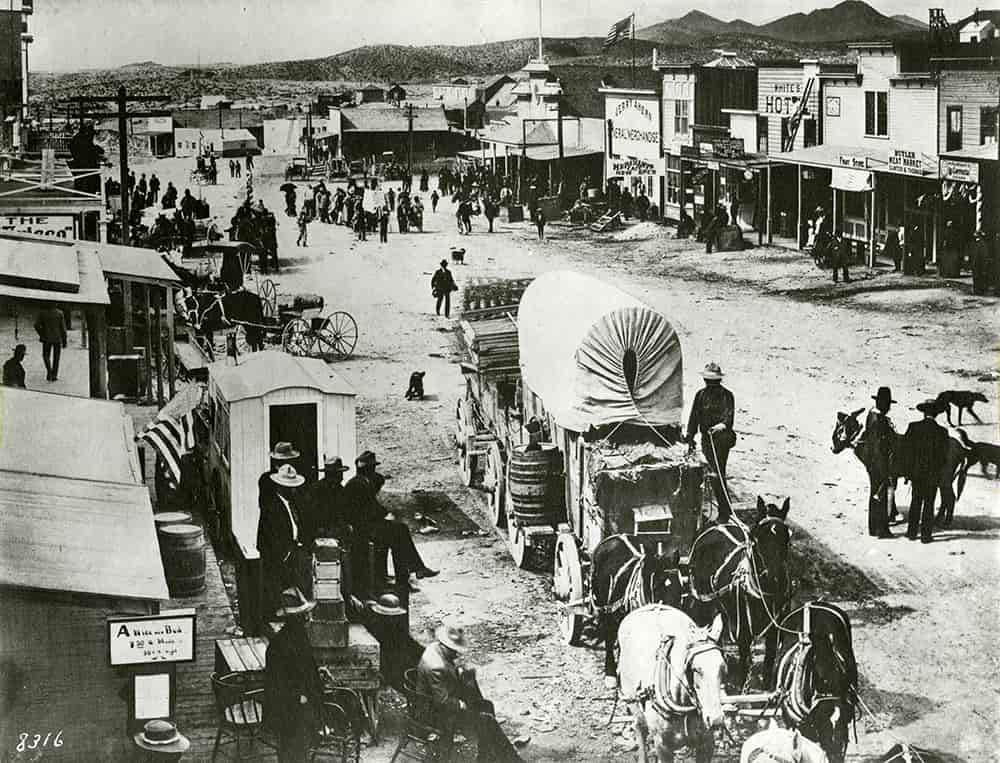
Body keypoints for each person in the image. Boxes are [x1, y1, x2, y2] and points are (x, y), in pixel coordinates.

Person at [416, 620, 523, 763]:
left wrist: (461, 673)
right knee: (486, 719)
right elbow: (442, 701)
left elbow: (446, 675)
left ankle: (487, 755)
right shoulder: (436, 666)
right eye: (453, 650)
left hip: (438, 697)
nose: (456, 654)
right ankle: (505, 758)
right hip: (434, 712)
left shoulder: (435, 648)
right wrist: (462, 704)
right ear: (444, 645)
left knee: (486, 706)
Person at [343, 450, 438, 594]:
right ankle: (412, 572)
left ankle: (412, 573)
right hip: (362, 529)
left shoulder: (362, 481)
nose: (374, 470)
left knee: (399, 532)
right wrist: (385, 514)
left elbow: (377, 486)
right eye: (372, 467)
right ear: (368, 469)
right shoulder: (358, 485)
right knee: (399, 532)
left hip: (367, 525)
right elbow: (370, 509)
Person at [265, 587, 325, 763]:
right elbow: (277, 683)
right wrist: (300, 696)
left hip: (298, 706)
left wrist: (317, 672)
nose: (307, 618)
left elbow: (303, 668)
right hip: (288, 709)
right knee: (292, 750)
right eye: (303, 615)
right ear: (293, 618)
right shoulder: (281, 644)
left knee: (299, 748)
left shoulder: (298, 636)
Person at [686, 362, 736, 522]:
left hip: (722, 441)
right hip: (707, 440)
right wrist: (690, 435)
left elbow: (729, 418)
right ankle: (723, 508)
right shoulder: (700, 395)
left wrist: (720, 426)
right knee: (712, 474)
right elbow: (694, 416)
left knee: (718, 474)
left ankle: (725, 512)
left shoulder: (727, 396)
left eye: (713, 381)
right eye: (708, 380)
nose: (710, 384)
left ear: (718, 381)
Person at [258, 463, 310, 614]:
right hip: (277, 554)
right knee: (277, 587)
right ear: (280, 487)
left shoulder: (291, 503)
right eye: (289, 487)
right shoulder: (273, 506)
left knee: (290, 588)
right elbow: (271, 537)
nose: (293, 490)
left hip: (289, 550)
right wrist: (284, 554)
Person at [898, 400, 950, 544]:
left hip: (916, 473)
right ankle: (926, 535)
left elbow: (906, 452)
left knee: (915, 501)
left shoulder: (913, 427)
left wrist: (908, 472)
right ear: (936, 414)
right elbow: (944, 456)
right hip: (933, 474)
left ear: (924, 412)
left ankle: (912, 532)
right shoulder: (942, 432)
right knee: (929, 503)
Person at [865, 387, 898, 538]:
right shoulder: (881, 420)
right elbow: (881, 446)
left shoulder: (871, 416)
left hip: (872, 462)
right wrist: (885, 468)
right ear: (883, 404)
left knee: (874, 495)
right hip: (880, 463)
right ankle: (882, 530)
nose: (889, 407)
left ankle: (873, 528)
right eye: (888, 404)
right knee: (881, 495)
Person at [306, 455, 352, 543]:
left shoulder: (340, 489)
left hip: (338, 533)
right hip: (322, 535)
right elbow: (310, 514)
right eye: (339, 473)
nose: (341, 476)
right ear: (332, 474)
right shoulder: (317, 489)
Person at [34, 306, 67, 382]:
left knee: (45, 355)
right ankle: (54, 375)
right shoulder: (60, 313)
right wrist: (64, 340)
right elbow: (63, 328)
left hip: (46, 338)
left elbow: (36, 325)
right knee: (56, 357)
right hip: (57, 338)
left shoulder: (42, 313)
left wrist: (42, 334)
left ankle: (49, 371)